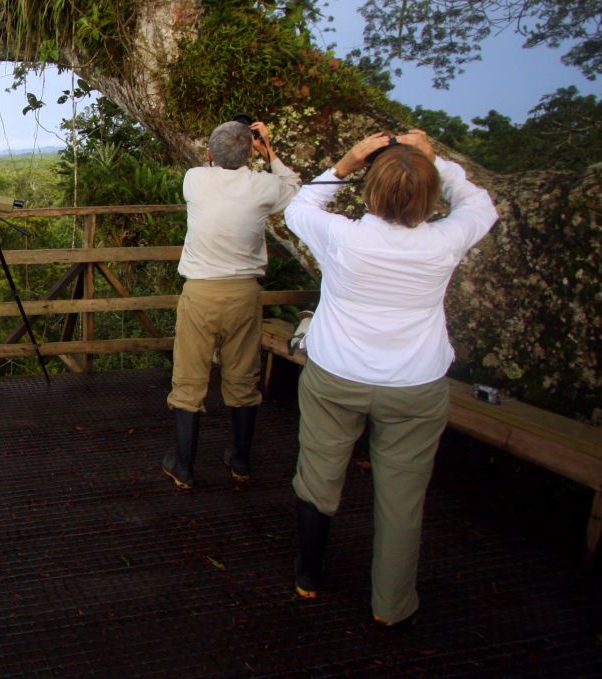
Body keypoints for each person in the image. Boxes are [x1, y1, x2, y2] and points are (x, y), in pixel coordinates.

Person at [283, 130, 497, 627]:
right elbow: (481, 204)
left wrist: (347, 161)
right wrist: (434, 161)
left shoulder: (345, 237)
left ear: (370, 190)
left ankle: (308, 575)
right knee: (403, 496)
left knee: (319, 474)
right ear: (430, 198)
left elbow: (298, 207)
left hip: (336, 374)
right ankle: (391, 605)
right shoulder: (446, 240)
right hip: (415, 384)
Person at [164, 118, 300, 490]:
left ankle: (184, 465)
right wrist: (267, 150)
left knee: (190, 379)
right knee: (243, 377)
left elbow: (216, 167)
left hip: (201, 293)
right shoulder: (263, 187)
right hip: (244, 294)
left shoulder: (194, 179)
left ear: (209, 154)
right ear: (248, 155)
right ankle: (240, 459)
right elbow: (293, 187)